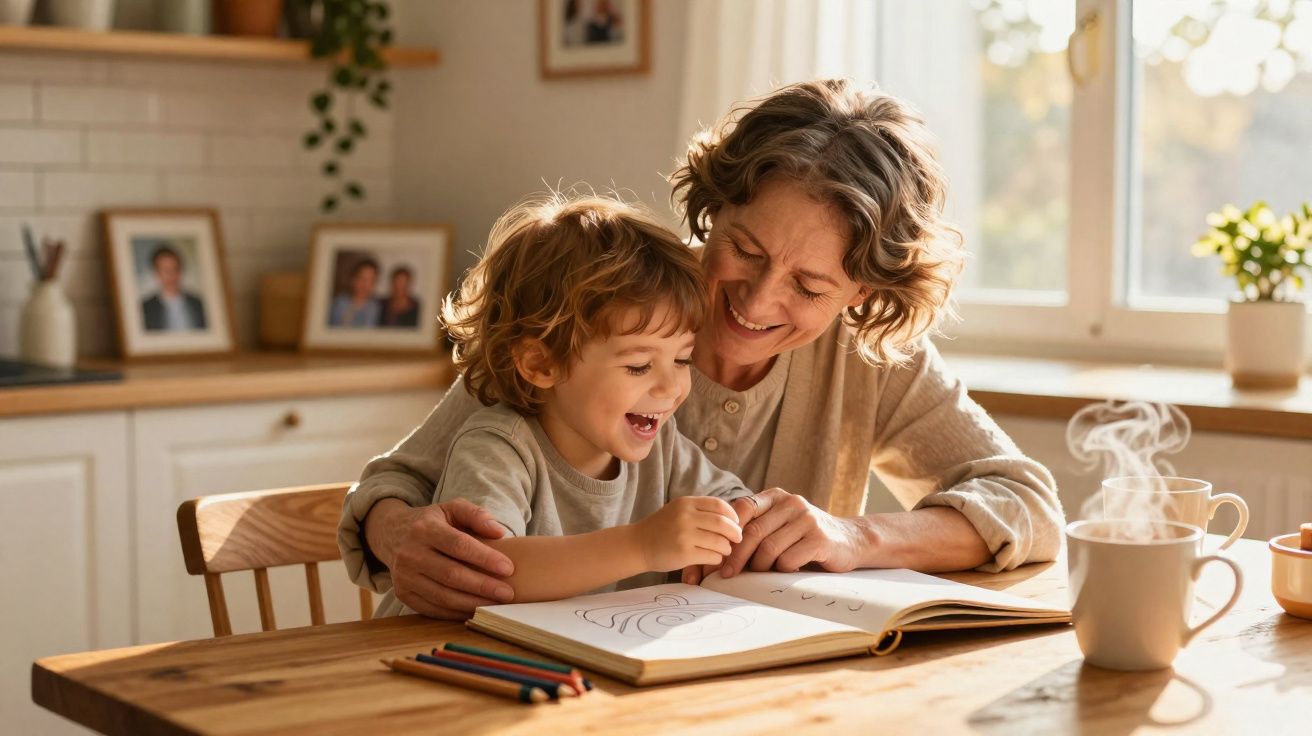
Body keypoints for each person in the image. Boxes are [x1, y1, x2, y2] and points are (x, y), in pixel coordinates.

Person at [339, 79, 1065, 619]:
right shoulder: (607, 309)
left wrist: (855, 535)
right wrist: (403, 535)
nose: (755, 302)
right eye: (743, 250)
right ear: (713, 209)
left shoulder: (867, 357)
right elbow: (393, 485)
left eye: (808, 288)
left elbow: (1027, 503)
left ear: (863, 295)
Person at [374, 193, 751, 615]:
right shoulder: (499, 448)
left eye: (682, 359)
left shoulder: (662, 448)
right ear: (541, 364)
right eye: (639, 366)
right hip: (432, 661)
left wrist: (743, 518)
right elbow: (484, 573)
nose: (671, 387)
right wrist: (643, 546)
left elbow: (735, 505)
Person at [141, 244, 207, 332]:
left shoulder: (199, 304)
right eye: (166, 271)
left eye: (175, 269)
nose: (171, 275)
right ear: (156, 273)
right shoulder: (145, 309)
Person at [328, 258, 381, 328]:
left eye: (371, 280)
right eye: (361, 278)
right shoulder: (339, 303)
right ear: (353, 279)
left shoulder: (376, 308)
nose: (365, 285)